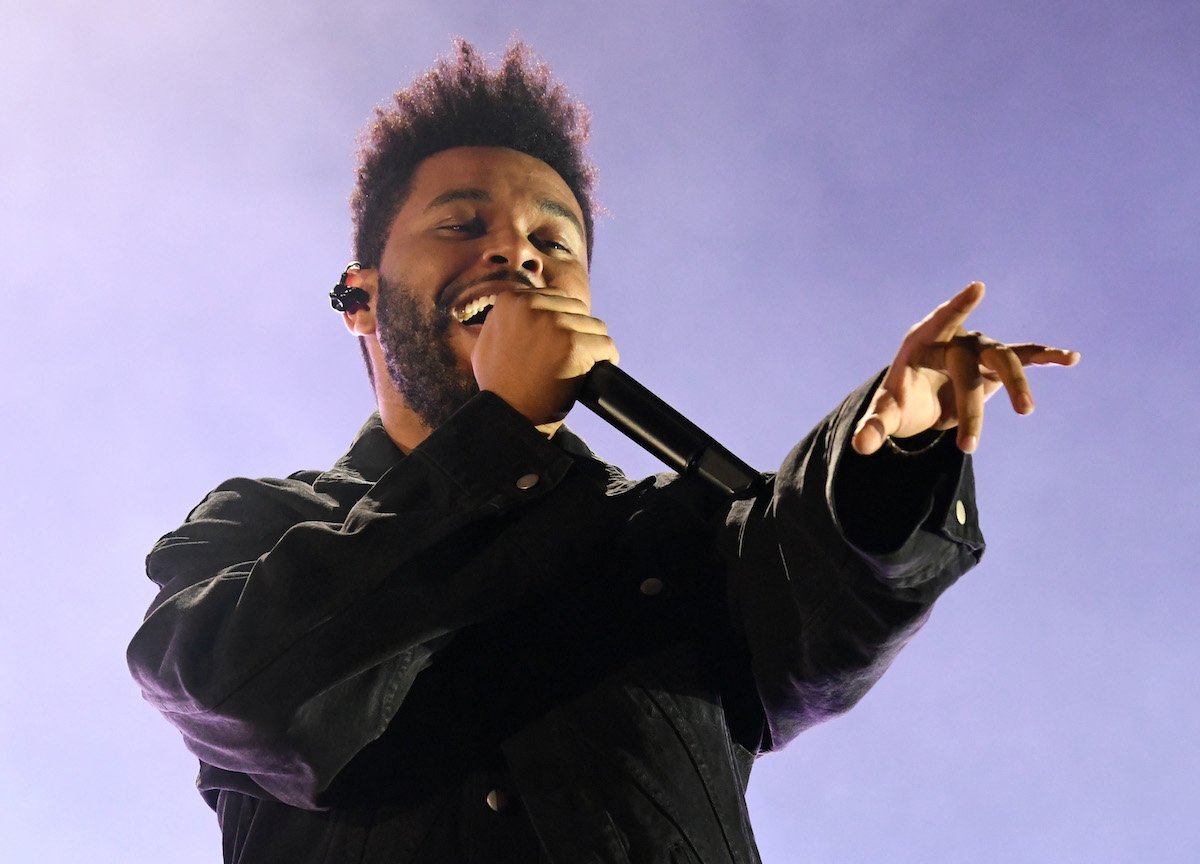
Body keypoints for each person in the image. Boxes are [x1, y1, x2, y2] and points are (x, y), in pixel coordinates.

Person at [127, 41, 1079, 864]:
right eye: (462, 224)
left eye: (554, 239)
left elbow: (812, 609)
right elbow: (243, 697)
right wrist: (494, 440)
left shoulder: (668, 534)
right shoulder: (265, 524)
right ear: (363, 298)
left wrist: (892, 455)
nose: (517, 255)